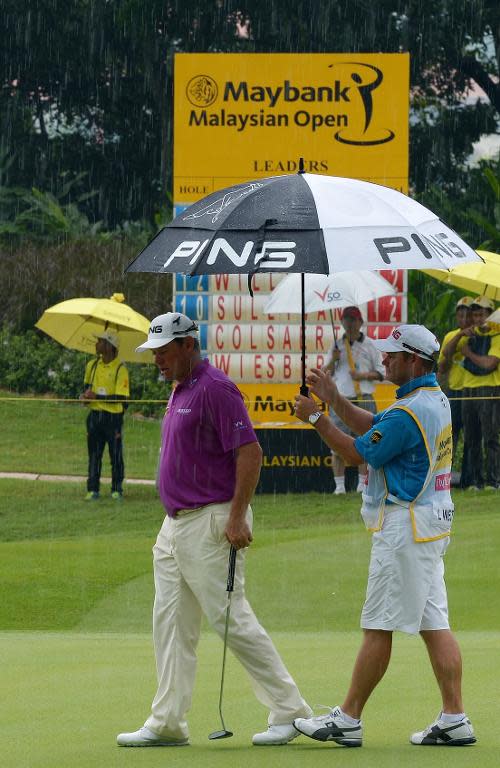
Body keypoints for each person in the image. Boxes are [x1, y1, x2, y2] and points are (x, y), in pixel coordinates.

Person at [117, 312, 311, 748]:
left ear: (188, 345)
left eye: (164, 352)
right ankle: (167, 721)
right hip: (174, 527)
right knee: (170, 625)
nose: (158, 362)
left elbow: (250, 452)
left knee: (231, 619)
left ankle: (290, 710)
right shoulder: (180, 388)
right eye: (155, 354)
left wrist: (238, 515)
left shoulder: (215, 389)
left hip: (212, 521)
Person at [293, 324, 476, 747]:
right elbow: (374, 424)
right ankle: (455, 718)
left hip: (405, 527)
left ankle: (349, 718)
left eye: (393, 355)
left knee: (378, 625)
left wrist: (317, 417)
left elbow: (357, 450)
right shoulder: (429, 399)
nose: (385, 360)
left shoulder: (409, 412)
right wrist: (335, 399)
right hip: (430, 525)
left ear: (414, 361)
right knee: (435, 624)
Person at [323, 306, 384, 495]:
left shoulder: (370, 345)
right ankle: (339, 486)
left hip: (364, 398)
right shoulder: (336, 345)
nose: (349, 323)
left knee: (368, 440)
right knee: (336, 441)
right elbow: (326, 374)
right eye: (346, 319)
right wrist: (333, 359)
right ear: (341, 322)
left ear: (361, 322)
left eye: (353, 319)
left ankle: (363, 483)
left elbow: (381, 373)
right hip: (341, 399)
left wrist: (363, 375)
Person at [442, 296, 499, 490]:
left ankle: (493, 481)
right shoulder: (466, 335)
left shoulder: (497, 334)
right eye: (475, 314)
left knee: (490, 438)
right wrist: (459, 336)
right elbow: (446, 356)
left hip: (489, 389)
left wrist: (467, 353)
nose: (477, 318)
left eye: (481, 314)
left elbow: (490, 364)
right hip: (467, 389)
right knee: (472, 439)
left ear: (491, 315)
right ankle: (476, 482)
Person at [80, 331, 129, 500]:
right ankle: (92, 489)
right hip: (94, 417)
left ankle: (117, 489)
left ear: (109, 346)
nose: (96, 344)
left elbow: (121, 398)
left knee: (115, 455)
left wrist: (97, 397)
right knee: (94, 455)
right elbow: (86, 389)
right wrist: (84, 397)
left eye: (100, 341)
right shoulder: (92, 365)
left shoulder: (121, 369)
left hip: (113, 419)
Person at [438, 297, 474, 487]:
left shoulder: (478, 335)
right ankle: (446, 479)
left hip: (471, 391)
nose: (465, 319)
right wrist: (460, 336)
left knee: (471, 437)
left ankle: (468, 478)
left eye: (468, 315)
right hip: (453, 392)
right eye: (461, 315)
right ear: (457, 317)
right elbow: (443, 365)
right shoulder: (451, 336)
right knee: (451, 438)